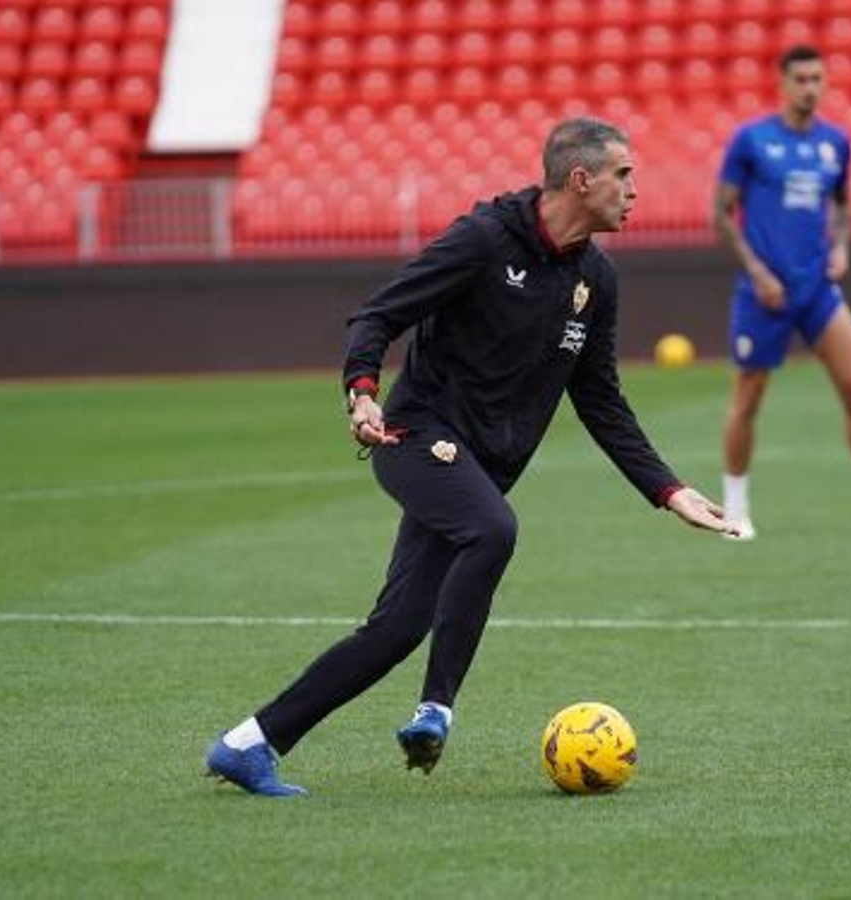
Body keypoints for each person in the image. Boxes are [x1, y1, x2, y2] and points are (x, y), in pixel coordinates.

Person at [205, 117, 736, 798]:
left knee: (394, 629)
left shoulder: (596, 281)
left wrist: (670, 491)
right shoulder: (484, 240)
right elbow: (377, 317)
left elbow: (601, 400)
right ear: (581, 178)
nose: (634, 190)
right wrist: (361, 394)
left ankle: (247, 745)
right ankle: (436, 709)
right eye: (623, 175)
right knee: (494, 530)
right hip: (413, 436)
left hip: (477, 471)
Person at [712, 44, 851, 541]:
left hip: (817, 290)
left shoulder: (836, 143)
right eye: (801, 79)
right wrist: (758, 273)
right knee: (748, 398)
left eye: (817, 79)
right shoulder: (752, 141)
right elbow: (720, 213)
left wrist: (843, 246)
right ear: (783, 83)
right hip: (763, 292)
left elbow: (844, 203)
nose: (810, 87)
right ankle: (733, 513)